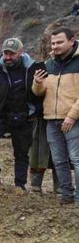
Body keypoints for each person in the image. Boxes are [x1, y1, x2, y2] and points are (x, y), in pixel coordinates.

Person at [0, 38, 44, 190]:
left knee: (22, 152)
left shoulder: (33, 68)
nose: (8, 57)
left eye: (12, 54)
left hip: (24, 116)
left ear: (20, 53)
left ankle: (20, 184)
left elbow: (41, 92)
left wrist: (36, 111)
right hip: (1, 116)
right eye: (5, 53)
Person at [33, 27, 79, 204]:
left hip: (73, 120)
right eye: (53, 43)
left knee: (76, 159)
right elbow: (40, 92)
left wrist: (72, 116)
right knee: (59, 160)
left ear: (72, 41)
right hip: (51, 119)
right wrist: (37, 84)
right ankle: (66, 194)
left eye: (60, 42)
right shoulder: (49, 64)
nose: (55, 46)